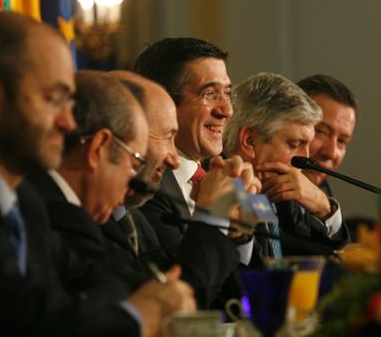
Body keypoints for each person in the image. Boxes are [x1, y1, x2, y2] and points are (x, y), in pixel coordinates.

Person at [0, 11, 194, 336]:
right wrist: (141, 313)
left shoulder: (22, 195)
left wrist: (140, 301)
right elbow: (23, 323)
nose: (68, 123)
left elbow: (99, 279)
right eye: (53, 99)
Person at [30, 70, 240, 308]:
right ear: (100, 147)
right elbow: (158, 306)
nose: (174, 160)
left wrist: (237, 228)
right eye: (168, 137)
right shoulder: (50, 213)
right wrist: (213, 214)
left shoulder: (132, 217)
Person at [133, 38, 258, 264]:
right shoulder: (145, 184)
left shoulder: (223, 176)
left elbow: (250, 277)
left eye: (227, 93)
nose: (227, 110)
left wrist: (240, 233)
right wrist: (213, 213)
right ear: (164, 101)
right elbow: (177, 278)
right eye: (209, 94)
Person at [222, 72, 350, 257]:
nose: (306, 158)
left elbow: (328, 261)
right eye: (295, 144)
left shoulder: (282, 192)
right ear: (249, 140)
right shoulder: (215, 187)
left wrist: (323, 209)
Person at [296, 74, 358, 199]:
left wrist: (327, 208)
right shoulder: (256, 186)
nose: (331, 153)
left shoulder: (324, 191)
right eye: (321, 132)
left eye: (341, 141)